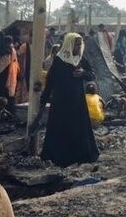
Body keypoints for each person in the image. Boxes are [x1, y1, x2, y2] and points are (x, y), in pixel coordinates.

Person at [41, 32, 99, 167]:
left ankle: (79, 156)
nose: (79, 47)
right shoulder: (59, 60)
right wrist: (44, 98)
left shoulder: (81, 59)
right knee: (61, 128)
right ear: (69, 44)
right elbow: (50, 80)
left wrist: (83, 73)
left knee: (77, 127)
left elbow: (92, 75)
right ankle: (60, 158)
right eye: (76, 44)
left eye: (80, 44)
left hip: (77, 100)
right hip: (61, 101)